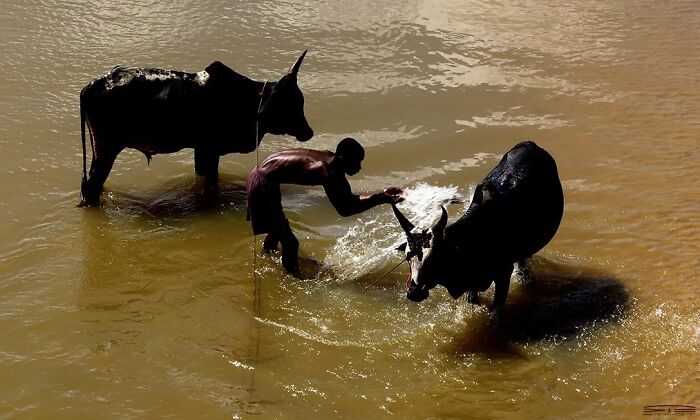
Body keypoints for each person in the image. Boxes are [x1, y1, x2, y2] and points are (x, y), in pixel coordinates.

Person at [246, 137, 404, 274]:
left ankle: (266, 256)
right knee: (291, 243)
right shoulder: (327, 172)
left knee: (277, 230)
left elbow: (347, 199)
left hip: (261, 174)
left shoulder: (331, 159)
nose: (359, 168)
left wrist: (381, 196)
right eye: (356, 162)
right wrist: (380, 199)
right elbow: (346, 209)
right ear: (342, 157)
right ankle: (293, 279)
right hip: (263, 184)